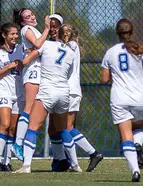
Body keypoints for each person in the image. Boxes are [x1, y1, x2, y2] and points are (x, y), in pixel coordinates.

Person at [14, 24, 81, 173]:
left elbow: (28, 60)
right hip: (63, 93)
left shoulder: (46, 45)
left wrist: (23, 59)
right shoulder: (71, 51)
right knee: (63, 129)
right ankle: (76, 165)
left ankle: (26, 166)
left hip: (47, 91)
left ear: (56, 34)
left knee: (33, 127)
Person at [100, 18, 143, 182]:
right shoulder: (138, 48)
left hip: (119, 98)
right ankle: (138, 145)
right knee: (137, 128)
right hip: (139, 98)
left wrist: (114, 78)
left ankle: (135, 171)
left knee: (126, 136)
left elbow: (104, 79)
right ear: (131, 32)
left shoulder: (110, 52)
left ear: (117, 33)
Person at [47, 18, 103, 172]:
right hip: (65, 90)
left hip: (69, 90)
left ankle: (93, 153)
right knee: (54, 128)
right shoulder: (71, 46)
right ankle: (62, 161)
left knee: (67, 127)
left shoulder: (70, 46)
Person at [11, 8, 50, 161]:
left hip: (39, 70)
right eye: (27, 17)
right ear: (22, 22)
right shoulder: (27, 29)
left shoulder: (33, 29)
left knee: (35, 110)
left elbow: (37, 47)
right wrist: (47, 29)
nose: (32, 17)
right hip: (33, 71)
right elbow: (38, 44)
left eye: (32, 14)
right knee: (28, 108)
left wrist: (33, 50)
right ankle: (18, 143)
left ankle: (23, 143)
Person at [0, 23, 25, 172]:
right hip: (3, 92)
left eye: (17, 34)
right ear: (4, 35)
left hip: (19, 93)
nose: (15, 36)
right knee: (5, 123)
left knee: (13, 128)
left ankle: (7, 162)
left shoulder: (20, 49)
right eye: (12, 34)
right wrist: (8, 67)